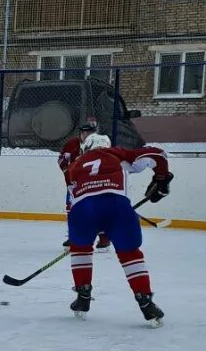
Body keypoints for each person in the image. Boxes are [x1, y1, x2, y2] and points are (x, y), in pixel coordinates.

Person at [64, 133, 170, 326]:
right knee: (130, 254)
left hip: (82, 209)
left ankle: (83, 296)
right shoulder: (117, 154)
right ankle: (146, 302)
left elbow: (73, 200)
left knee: (81, 249)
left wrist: (81, 233)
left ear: (86, 148)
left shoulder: (74, 166)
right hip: (116, 205)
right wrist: (161, 178)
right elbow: (158, 155)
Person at [58, 118, 109, 250]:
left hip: (94, 185)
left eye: (90, 133)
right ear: (80, 133)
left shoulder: (100, 144)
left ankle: (104, 238)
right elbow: (61, 160)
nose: (86, 135)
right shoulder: (71, 144)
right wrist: (67, 171)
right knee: (72, 209)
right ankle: (74, 236)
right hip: (74, 185)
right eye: (84, 133)